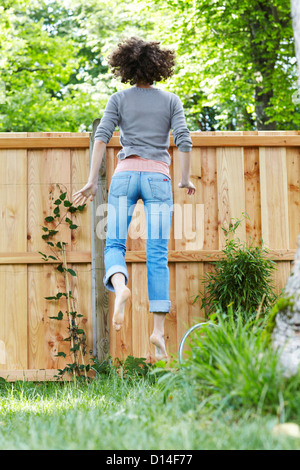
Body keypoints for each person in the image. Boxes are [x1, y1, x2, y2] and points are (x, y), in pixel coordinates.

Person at [72, 37, 196, 361]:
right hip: (158, 178)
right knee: (157, 255)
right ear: (159, 66)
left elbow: (101, 138)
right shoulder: (171, 101)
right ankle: (157, 331)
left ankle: (120, 285)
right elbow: (184, 141)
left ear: (126, 66)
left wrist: (90, 180)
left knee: (114, 245)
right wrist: (183, 179)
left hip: (125, 176)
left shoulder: (118, 98)